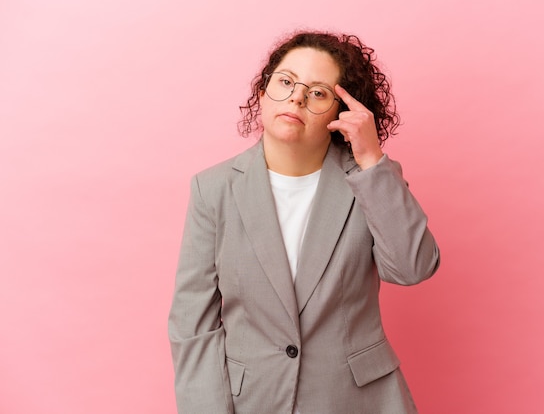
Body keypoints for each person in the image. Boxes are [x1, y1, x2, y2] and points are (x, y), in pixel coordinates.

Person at [168, 30, 440, 414]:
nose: (296, 96)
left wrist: (372, 161)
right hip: (253, 402)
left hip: (358, 401)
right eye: (285, 81)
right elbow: (192, 323)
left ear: (339, 114)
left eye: (317, 92)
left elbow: (412, 269)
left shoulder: (369, 180)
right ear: (262, 93)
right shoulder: (213, 189)